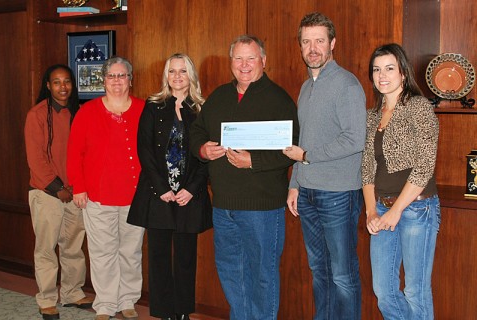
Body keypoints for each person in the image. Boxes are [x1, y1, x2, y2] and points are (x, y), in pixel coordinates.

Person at [190, 35, 299, 320]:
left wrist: (254, 160)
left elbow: (291, 151)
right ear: (231, 63)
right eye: (238, 58)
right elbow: (197, 132)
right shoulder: (219, 96)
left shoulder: (279, 100)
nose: (244, 65)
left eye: (251, 58)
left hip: (262, 207)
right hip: (223, 205)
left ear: (264, 61)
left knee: (262, 275)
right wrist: (203, 148)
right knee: (231, 272)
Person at [283, 12, 367, 320]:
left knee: (343, 274)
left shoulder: (346, 84)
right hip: (307, 194)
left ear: (332, 43)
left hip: (338, 195)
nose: (312, 48)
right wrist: (295, 185)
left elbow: (355, 139)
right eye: (306, 42)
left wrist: (307, 157)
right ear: (300, 47)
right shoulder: (306, 88)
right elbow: (302, 141)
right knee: (319, 270)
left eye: (319, 40)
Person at [127, 53, 212, 320]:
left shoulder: (202, 109)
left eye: (183, 71)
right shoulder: (154, 106)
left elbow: (207, 154)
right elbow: (145, 150)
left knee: (186, 258)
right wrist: (161, 187)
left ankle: (183, 311)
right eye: (172, 71)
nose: (177, 76)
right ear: (166, 76)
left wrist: (193, 189)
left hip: (189, 194)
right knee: (159, 256)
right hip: (158, 194)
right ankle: (164, 312)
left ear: (191, 76)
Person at [362, 43, 440, 319]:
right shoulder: (373, 114)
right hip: (381, 209)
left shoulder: (418, 107)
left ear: (403, 73)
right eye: (376, 69)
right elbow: (367, 167)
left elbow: (424, 166)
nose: (382, 75)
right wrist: (372, 210)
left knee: (415, 292)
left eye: (389, 68)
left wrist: (397, 211)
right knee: (383, 291)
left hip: (417, 209)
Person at [67, 57, 145, 320]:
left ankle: (127, 300)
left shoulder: (144, 110)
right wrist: (78, 187)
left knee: (131, 252)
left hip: (135, 196)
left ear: (130, 80)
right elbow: (74, 153)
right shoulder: (87, 112)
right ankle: (105, 304)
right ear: (103, 80)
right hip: (97, 197)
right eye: (111, 76)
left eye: (122, 76)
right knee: (102, 253)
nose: (117, 81)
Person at [24, 64, 93, 320]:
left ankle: (73, 293)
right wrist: (57, 188)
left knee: (73, 247)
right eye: (56, 82)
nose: (62, 87)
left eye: (67, 82)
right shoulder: (37, 114)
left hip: (75, 193)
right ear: (47, 85)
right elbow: (36, 158)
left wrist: (77, 187)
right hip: (46, 193)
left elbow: (86, 152)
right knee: (46, 248)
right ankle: (46, 299)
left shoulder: (80, 112)